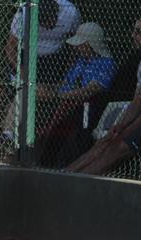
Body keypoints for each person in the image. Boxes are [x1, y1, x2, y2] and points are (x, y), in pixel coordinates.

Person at [65, 14, 141, 175]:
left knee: (116, 147)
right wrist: (119, 126)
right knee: (104, 141)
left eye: (138, 31)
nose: (133, 35)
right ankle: (66, 174)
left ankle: (78, 181)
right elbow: (137, 101)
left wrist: (126, 132)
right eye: (134, 31)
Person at [33, 22, 117, 167]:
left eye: (81, 43)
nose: (77, 47)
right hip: (63, 105)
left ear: (91, 44)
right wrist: (47, 88)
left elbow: (88, 92)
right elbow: (65, 85)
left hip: (86, 110)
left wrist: (53, 96)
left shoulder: (106, 64)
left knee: (69, 137)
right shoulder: (81, 61)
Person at [1, 0, 81, 142]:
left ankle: (35, 136)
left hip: (55, 59)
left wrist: (68, 73)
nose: (50, 26)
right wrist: (24, 73)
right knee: (24, 90)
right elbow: (10, 47)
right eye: (44, 23)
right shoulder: (23, 16)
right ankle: (9, 134)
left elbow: (74, 47)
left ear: (58, 12)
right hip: (26, 56)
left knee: (41, 92)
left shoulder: (70, 12)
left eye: (52, 21)